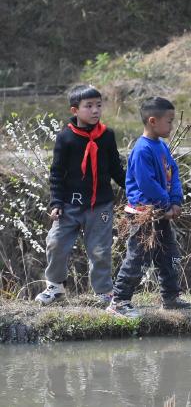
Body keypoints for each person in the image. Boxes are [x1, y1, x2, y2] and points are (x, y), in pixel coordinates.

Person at [36, 85, 126, 305]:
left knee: (100, 249)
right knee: (56, 243)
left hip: (100, 206)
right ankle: (55, 288)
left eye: (98, 105)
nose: (95, 110)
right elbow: (56, 173)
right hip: (69, 206)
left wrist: (132, 191)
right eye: (89, 106)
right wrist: (56, 202)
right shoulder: (66, 137)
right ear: (75, 110)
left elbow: (116, 169)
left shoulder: (107, 136)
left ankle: (104, 292)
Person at [107, 96, 191, 317]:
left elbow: (174, 174)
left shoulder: (162, 147)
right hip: (144, 214)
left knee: (169, 255)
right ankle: (119, 301)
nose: (172, 126)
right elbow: (147, 184)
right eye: (169, 121)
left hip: (161, 212)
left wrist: (175, 201)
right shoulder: (142, 150)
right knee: (138, 258)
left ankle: (171, 297)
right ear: (153, 121)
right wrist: (165, 204)